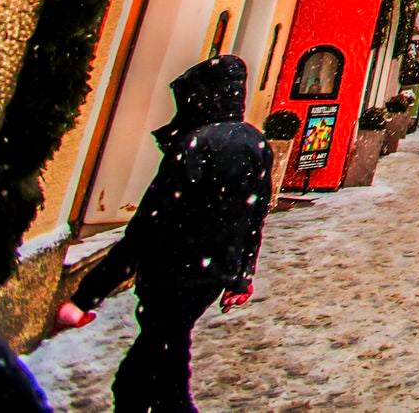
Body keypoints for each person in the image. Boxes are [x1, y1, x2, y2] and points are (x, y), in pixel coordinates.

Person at [63, 56, 270, 412]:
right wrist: (241, 275)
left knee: (156, 384)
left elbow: (147, 227)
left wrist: (87, 296)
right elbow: (254, 216)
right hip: (210, 274)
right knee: (148, 376)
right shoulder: (254, 142)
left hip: (174, 275)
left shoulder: (196, 145)